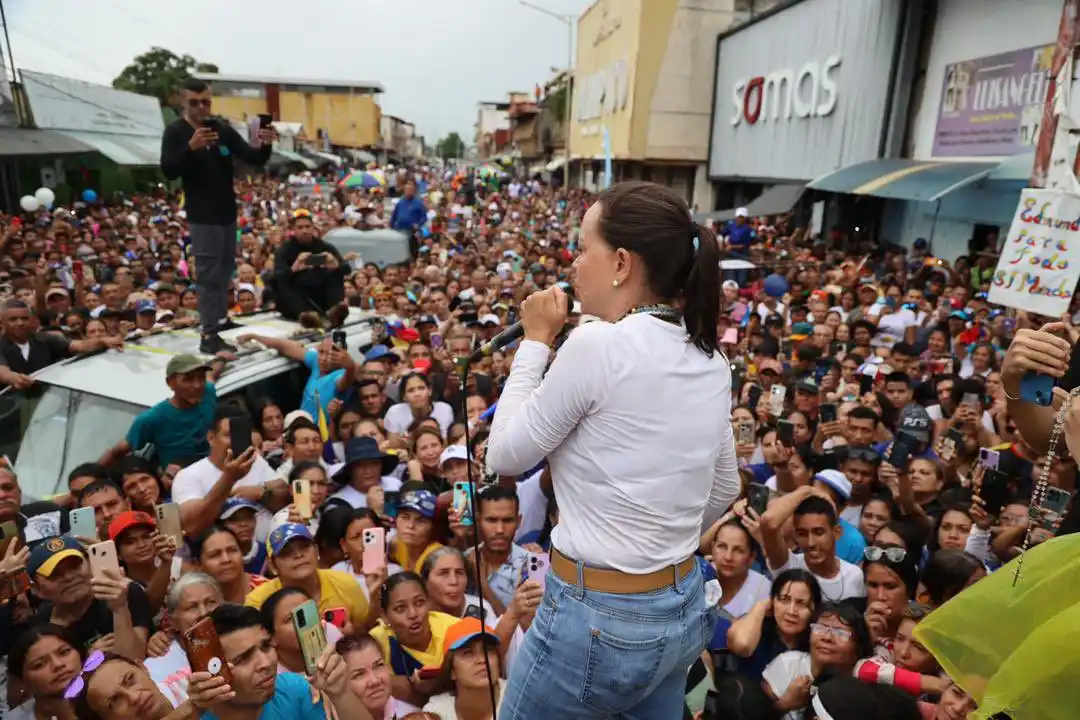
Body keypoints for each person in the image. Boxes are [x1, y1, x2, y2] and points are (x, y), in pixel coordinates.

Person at [485, 181, 736, 718]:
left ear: (621, 262)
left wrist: (534, 341)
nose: (574, 265)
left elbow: (503, 456)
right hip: (683, 604)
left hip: (595, 615)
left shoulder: (598, 344)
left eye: (583, 248)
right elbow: (726, 487)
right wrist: (655, 551)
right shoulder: (712, 359)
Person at [160, 78, 275, 354]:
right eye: (194, 102)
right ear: (183, 103)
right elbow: (169, 171)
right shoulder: (176, 132)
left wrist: (266, 143)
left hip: (226, 212)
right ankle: (208, 334)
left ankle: (221, 321)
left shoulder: (220, 128)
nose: (202, 107)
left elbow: (252, 157)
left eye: (206, 102)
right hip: (203, 215)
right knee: (209, 274)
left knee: (224, 272)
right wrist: (190, 148)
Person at [185, 604, 372, 720]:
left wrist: (341, 692)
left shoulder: (293, 689)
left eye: (266, 646)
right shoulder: (194, 716)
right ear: (214, 673)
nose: (265, 662)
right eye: (242, 659)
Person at [29, 535, 153, 661]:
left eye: (75, 566)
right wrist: (88, 661)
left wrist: (119, 608)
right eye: (55, 574)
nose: (69, 577)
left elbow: (136, 659)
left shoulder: (123, 592)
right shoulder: (41, 624)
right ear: (37, 589)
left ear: (90, 563)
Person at [100, 354, 230, 470]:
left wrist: (222, 358)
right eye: (188, 379)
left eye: (200, 378)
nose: (197, 385)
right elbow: (117, 451)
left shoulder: (207, 393)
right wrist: (87, 479)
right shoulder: (152, 419)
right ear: (170, 382)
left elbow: (211, 375)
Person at [243, 523, 373, 630]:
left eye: (304, 547)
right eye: (287, 553)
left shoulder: (345, 582)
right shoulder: (258, 602)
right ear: (273, 566)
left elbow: (368, 629)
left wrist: (350, 635)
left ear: (316, 551)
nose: (299, 555)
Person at [0, 299, 121, 388]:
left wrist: (103, 340)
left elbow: (80, 346)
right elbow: (3, 372)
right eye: (13, 319)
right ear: (2, 322)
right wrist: (15, 378)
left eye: (24, 318)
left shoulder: (46, 339)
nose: (20, 323)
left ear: (31, 319)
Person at [270, 210, 349, 321]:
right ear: (293, 229)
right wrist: (294, 269)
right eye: (300, 227)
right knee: (283, 282)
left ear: (313, 227)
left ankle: (336, 309)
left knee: (335, 273)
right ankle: (305, 314)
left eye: (307, 226)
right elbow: (275, 278)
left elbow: (347, 269)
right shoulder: (284, 250)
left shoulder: (325, 246)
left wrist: (336, 265)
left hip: (320, 293)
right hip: (296, 295)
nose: (305, 230)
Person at [422, 617, 504, 719]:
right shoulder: (438, 711)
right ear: (452, 671)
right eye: (468, 653)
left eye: (488, 650)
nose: (482, 660)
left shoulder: (520, 695)